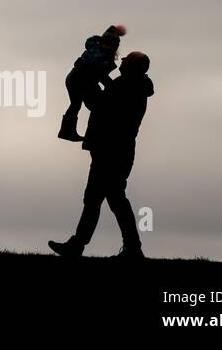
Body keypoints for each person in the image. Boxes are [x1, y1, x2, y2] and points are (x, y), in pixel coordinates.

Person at [49, 50, 154, 259]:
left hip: (110, 151)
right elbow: (107, 96)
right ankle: (131, 247)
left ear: (132, 67)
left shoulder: (127, 87)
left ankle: (79, 245)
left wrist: (88, 78)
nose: (121, 61)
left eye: (126, 60)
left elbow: (99, 104)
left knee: (97, 199)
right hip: (116, 151)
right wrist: (96, 76)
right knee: (114, 199)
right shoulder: (133, 86)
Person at [58, 24, 125, 141]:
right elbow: (102, 76)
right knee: (98, 107)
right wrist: (114, 87)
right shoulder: (103, 57)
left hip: (74, 78)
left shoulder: (93, 46)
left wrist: (111, 30)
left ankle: (67, 132)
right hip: (82, 82)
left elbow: (91, 39)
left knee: (76, 105)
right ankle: (91, 136)